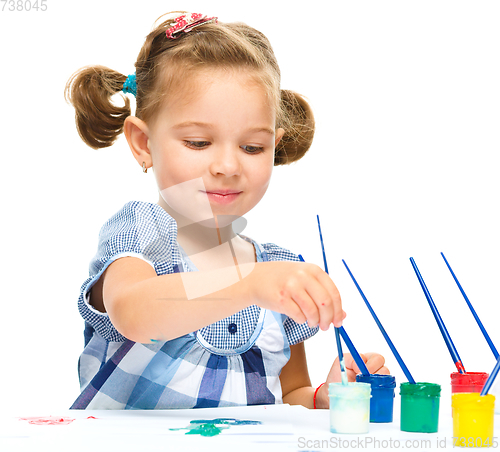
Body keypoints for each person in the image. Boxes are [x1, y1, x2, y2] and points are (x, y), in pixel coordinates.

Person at [66, 12, 388, 410]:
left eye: (252, 147)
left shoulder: (276, 269)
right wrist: (250, 282)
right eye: (199, 142)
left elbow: (290, 396)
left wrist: (330, 395)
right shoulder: (140, 233)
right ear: (143, 143)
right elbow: (134, 313)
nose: (228, 166)